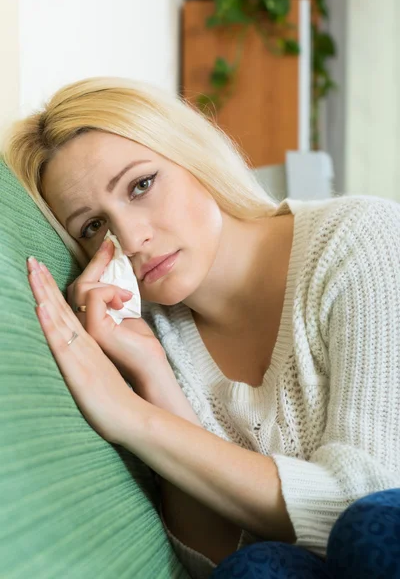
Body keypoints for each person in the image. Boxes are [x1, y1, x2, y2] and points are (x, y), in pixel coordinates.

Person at [4, 77, 400, 579]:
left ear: (191, 155)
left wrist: (129, 416)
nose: (131, 238)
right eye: (93, 226)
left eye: (141, 185)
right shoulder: (149, 336)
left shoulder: (364, 242)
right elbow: (214, 558)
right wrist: (153, 377)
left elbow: (368, 506)